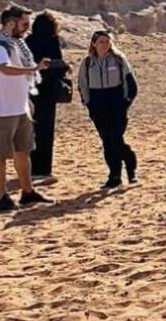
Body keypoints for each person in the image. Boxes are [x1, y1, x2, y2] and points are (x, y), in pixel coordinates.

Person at [0, 5, 50, 212]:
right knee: (0, 153)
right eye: (24, 23)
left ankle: (27, 192)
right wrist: (34, 68)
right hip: (0, 109)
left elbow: (20, 77)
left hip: (19, 108)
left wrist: (27, 100)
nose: (27, 28)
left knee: (23, 151)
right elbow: (4, 69)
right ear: (11, 22)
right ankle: (2, 196)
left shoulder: (17, 44)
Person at [78, 30, 139, 189]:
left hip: (117, 103)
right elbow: (83, 85)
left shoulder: (118, 59)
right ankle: (114, 176)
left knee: (116, 139)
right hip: (98, 105)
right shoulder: (87, 63)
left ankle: (131, 167)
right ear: (94, 44)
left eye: (107, 41)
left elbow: (130, 83)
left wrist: (126, 102)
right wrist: (89, 104)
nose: (104, 45)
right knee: (107, 141)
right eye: (101, 42)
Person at [25, 10, 68, 184]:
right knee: (45, 131)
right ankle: (42, 170)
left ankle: (29, 167)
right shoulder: (52, 40)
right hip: (48, 90)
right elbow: (56, 64)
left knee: (30, 129)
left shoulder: (28, 41)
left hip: (30, 89)